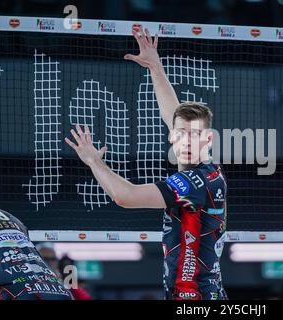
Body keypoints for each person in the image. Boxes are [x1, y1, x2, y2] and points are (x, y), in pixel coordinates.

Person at [65, 28, 228, 300]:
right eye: (181, 134)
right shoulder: (212, 172)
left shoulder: (191, 183)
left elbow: (125, 197)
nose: (186, 141)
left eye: (195, 135)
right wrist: (155, 66)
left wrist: (94, 162)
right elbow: (172, 113)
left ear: (209, 138)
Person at [0, 208, 73, 300]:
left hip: (20, 289)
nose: (50, 261)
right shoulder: (11, 218)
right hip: (53, 290)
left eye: (52, 259)